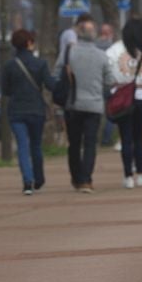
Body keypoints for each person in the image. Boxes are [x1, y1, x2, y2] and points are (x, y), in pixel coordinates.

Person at [106, 18, 142, 189]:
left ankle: (128, 176)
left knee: (126, 137)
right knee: (139, 137)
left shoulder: (113, 51)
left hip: (122, 97)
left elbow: (107, 75)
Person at [53, 19, 108, 192]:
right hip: (94, 105)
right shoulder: (102, 55)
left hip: (72, 103)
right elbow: (111, 80)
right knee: (90, 143)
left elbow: (56, 74)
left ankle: (76, 178)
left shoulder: (69, 53)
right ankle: (86, 179)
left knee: (74, 143)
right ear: (94, 35)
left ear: (79, 33)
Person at [2, 29, 57, 195]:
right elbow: (50, 85)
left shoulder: (10, 65)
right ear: (29, 43)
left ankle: (27, 182)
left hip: (16, 111)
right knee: (36, 145)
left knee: (22, 146)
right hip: (36, 111)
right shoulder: (40, 64)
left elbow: (6, 90)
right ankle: (39, 178)